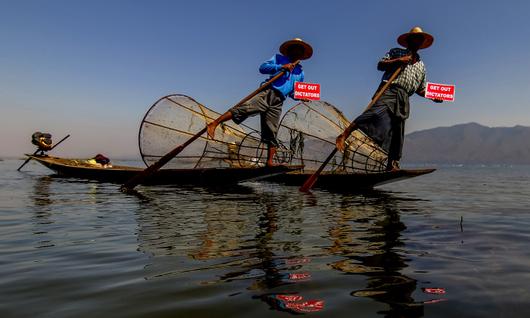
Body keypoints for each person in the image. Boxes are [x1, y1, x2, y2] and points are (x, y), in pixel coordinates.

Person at [336, 27, 442, 171]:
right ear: (409, 41)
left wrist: (432, 97)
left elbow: (420, 89)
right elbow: (380, 65)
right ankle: (344, 135)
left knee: (398, 131)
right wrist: (399, 60)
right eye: (415, 39)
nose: (417, 42)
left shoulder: (422, 65)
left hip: (404, 97)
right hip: (389, 89)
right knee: (373, 114)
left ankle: (392, 163)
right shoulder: (396, 52)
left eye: (420, 40)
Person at [207, 38, 313, 167]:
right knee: (246, 109)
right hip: (268, 92)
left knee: (271, 130)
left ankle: (269, 162)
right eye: (296, 49)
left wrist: (301, 97)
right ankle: (214, 123)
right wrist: (281, 67)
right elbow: (262, 68)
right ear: (290, 50)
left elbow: (292, 92)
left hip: (279, 100)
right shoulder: (279, 59)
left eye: (300, 51)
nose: (297, 52)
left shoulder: (300, 72)